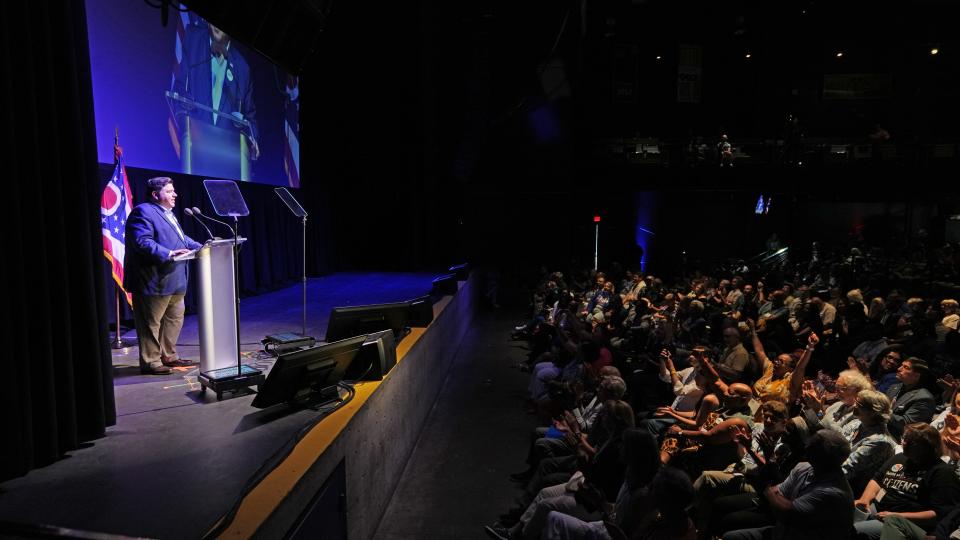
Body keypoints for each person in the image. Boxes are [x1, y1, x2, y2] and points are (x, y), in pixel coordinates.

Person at [124, 177, 204, 375]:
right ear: (155, 194)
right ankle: (151, 361)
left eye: (173, 190)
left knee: (173, 320)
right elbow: (142, 242)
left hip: (175, 279)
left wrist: (204, 247)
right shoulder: (143, 211)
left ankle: (169, 356)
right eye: (169, 191)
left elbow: (182, 239)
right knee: (150, 323)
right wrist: (168, 253)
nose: (175, 194)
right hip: (153, 280)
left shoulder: (168, 214)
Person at [723, 430, 855, 540]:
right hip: (784, 530)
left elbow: (784, 511)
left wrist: (763, 486)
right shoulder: (804, 467)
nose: (806, 446)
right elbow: (777, 492)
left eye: (813, 445)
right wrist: (770, 491)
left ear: (824, 455)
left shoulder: (833, 492)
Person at [173, 20, 259, 161]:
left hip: (226, 159)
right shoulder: (193, 41)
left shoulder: (243, 69)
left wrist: (253, 140)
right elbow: (179, 89)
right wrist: (183, 112)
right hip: (193, 150)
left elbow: (250, 120)